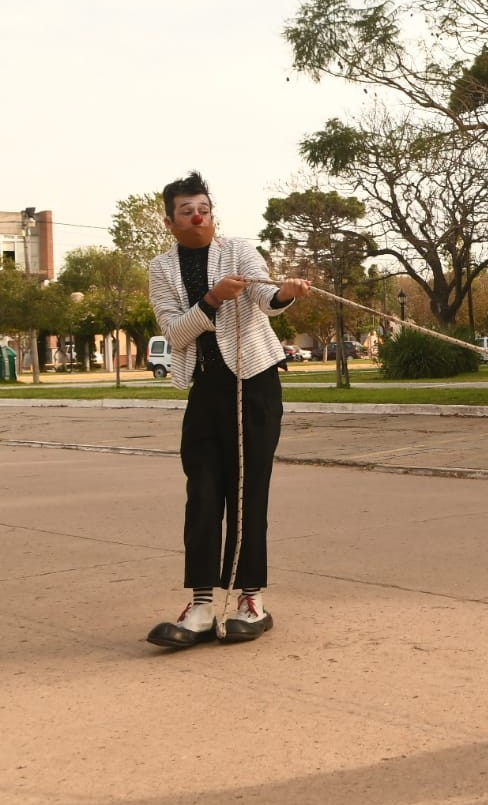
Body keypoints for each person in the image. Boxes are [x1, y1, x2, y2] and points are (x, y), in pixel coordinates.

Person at [145, 171, 311, 648]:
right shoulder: (161, 269)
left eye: (204, 208)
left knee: (248, 492)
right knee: (203, 493)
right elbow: (176, 333)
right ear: (170, 221)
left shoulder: (238, 250)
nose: (198, 216)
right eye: (187, 211)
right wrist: (212, 299)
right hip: (206, 389)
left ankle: (250, 601)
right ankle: (200, 604)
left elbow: (266, 297)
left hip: (254, 383)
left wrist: (286, 292)